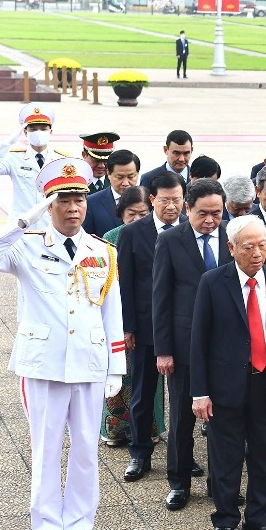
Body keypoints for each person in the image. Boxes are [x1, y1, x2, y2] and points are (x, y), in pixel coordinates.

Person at [0, 157, 125, 530]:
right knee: (46, 449)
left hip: (89, 363)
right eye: (63, 201)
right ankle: (46, 529)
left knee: (86, 449)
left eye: (79, 200)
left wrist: (116, 367)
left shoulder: (102, 251)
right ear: (48, 205)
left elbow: (112, 312)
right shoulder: (26, 245)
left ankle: (80, 526)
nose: (73, 208)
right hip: (43, 363)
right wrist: (24, 220)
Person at [191, 215, 266, 530]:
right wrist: (200, 392)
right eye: (249, 246)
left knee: (265, 455)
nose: (257, 253)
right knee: (226, 456)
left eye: (262, 245)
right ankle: (225, 520)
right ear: (231, 247)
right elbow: (199, 341)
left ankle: (259, 518)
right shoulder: (213, 282)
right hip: (226, 385)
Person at [152, 179, 233, 512]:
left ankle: (220, 483)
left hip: (225, 345)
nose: (211, 220)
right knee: (182, 419)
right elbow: (161, 297)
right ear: (188, 209)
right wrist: (163, 350)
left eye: (217, 213)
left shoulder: (232, 235)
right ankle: (179, 483)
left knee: (223, 420)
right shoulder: (171, 240)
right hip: (184, 345)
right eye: (203, 213)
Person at [120, 172, 187, 483]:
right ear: (152, 200)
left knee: (183, 397)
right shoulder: (133, 233)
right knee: (143, 392)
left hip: (183, 325)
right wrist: (128, 327)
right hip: (147, 325)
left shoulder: (190, 229)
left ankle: (183, 455)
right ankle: (140, 452)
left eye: (177, 200)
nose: (172, 206)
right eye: (165, 200)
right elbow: (126, 284)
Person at [100, 185, 164, 448]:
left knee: (149, 380)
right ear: (121, 213)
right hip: (117, 314)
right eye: (131, 214)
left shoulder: (159, 234)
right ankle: (115, 429)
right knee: (119, 375)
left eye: (143, 213)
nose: (137, 219)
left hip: (148, 317)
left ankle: (151, 428)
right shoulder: (110, 238)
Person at [0, 103, 71, 223]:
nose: (38, 132)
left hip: (50, 223)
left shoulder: (61, 160)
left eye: (43, 129)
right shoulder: (14, 157)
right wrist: (7, 144)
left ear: (50, 131)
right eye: (33, 129)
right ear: (25, 132)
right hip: (20, 224)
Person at [82, 149, 140, 238]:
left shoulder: (148, 200)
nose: (125, 183)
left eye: (131, 177)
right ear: (108, 173)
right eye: (120, 177)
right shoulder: (91, 203)